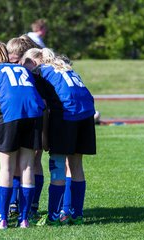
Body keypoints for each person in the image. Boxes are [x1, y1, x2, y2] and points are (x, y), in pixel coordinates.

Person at [21, 48, 96, 226]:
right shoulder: (64, 67)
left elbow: (45, 108)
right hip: (86, 114)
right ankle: (76, 214)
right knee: (76, 164)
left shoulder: (39, 73)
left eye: (25, 65)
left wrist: (45, 136)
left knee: (58, 164)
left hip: (67, 114)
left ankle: (54, 216)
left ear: (33, 62)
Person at [0, 40, 45, 229]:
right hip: (33, 115)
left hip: (10, 116)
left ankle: (3, 220)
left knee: (6, 168)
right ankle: (24, 219)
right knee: (27, 167)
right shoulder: (22, 69)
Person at [6, 36, 44, 221]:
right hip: (16, 118)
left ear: (24, 59)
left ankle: (32, 206)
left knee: (34, 161)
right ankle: (14, 204)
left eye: (15, 61)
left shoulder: (35, 73)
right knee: (13, 162)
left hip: (35, 118)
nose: (12, 65)